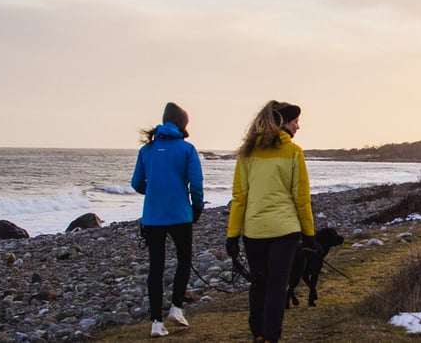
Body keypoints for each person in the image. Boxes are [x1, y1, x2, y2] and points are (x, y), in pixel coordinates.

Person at [226, 100, 317, 343]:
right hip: (285, 230)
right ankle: (270, 337)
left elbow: (239, 198)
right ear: (283, 123)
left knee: (258, 283)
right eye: (295, 121)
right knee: (278, 286)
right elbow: (301, 198)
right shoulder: (294, 152)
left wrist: (232, 235)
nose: (298, 127)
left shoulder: (247, 153)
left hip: (254, 231)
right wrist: (309, 234)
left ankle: (257, 333)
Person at [132, 102, 205, 338]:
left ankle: (155, 322)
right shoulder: (187, 149)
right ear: (182, 124)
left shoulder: (147, 150)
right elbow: (196, 184)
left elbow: (136, 183)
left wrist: (154, 190)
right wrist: (197, 208)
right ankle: (176, 307)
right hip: (180, 214)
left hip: (153, 215)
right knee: (184, 260)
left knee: (156, 266)